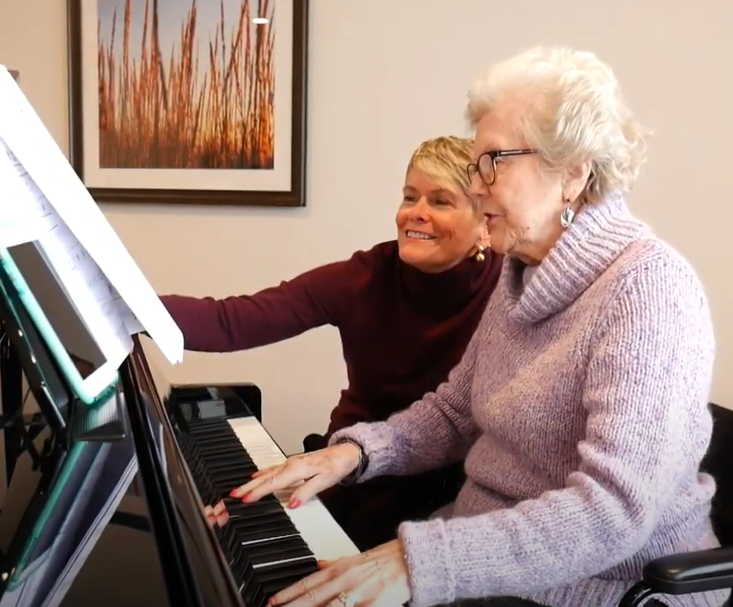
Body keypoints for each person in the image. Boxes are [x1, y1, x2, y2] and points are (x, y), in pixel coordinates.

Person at [229, 46, 729, 607]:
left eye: (495, 161)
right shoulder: (523, 273)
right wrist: (354, 454)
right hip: (479, 565)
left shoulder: (649, 290)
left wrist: (417, 561)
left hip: (598, 590)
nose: (477, 185)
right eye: (477, 163)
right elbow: (456, 410)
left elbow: (612, 510)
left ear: (572, 173)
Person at [159, 135, 503, 551]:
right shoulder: (363, 277)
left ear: (486, 222)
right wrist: (121, 303)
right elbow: (233, 320)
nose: (416, 213)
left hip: (458, 499)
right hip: (352, 470)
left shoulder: (512, 289)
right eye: (410, 197)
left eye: (440, 201)